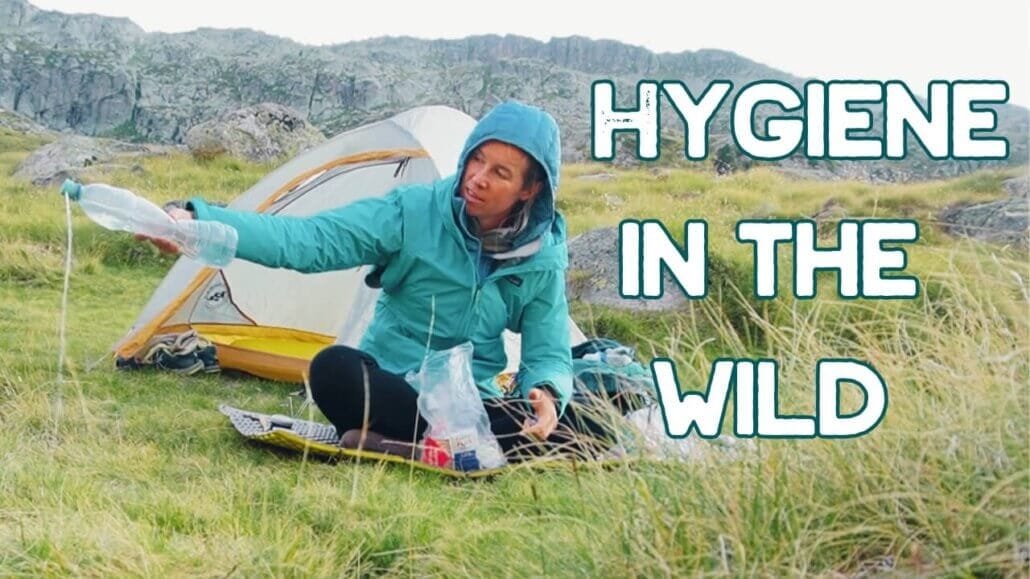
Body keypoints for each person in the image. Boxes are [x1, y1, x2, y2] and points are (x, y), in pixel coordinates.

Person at [143, 101, 605, 461]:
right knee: (332, 370)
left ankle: (405, 443)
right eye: (476, 160)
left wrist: (545, 392)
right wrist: (198, 223)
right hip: (395, 383)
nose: (477, 179)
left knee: (573, 419)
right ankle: (463, 446)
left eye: (499, 173)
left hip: (469, 401)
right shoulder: (411, 213)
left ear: (530, 189)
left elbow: (547, 349)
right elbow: (306, 240)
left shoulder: (541, 258)